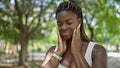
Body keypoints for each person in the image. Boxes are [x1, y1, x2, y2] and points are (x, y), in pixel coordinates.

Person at [41, 0, 107, 68]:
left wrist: (76, 52)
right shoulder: (52, 51)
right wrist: (59, 52)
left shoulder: (97, 51)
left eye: (69, 23)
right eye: (59, 24)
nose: (63, 27)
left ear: (79, 22)